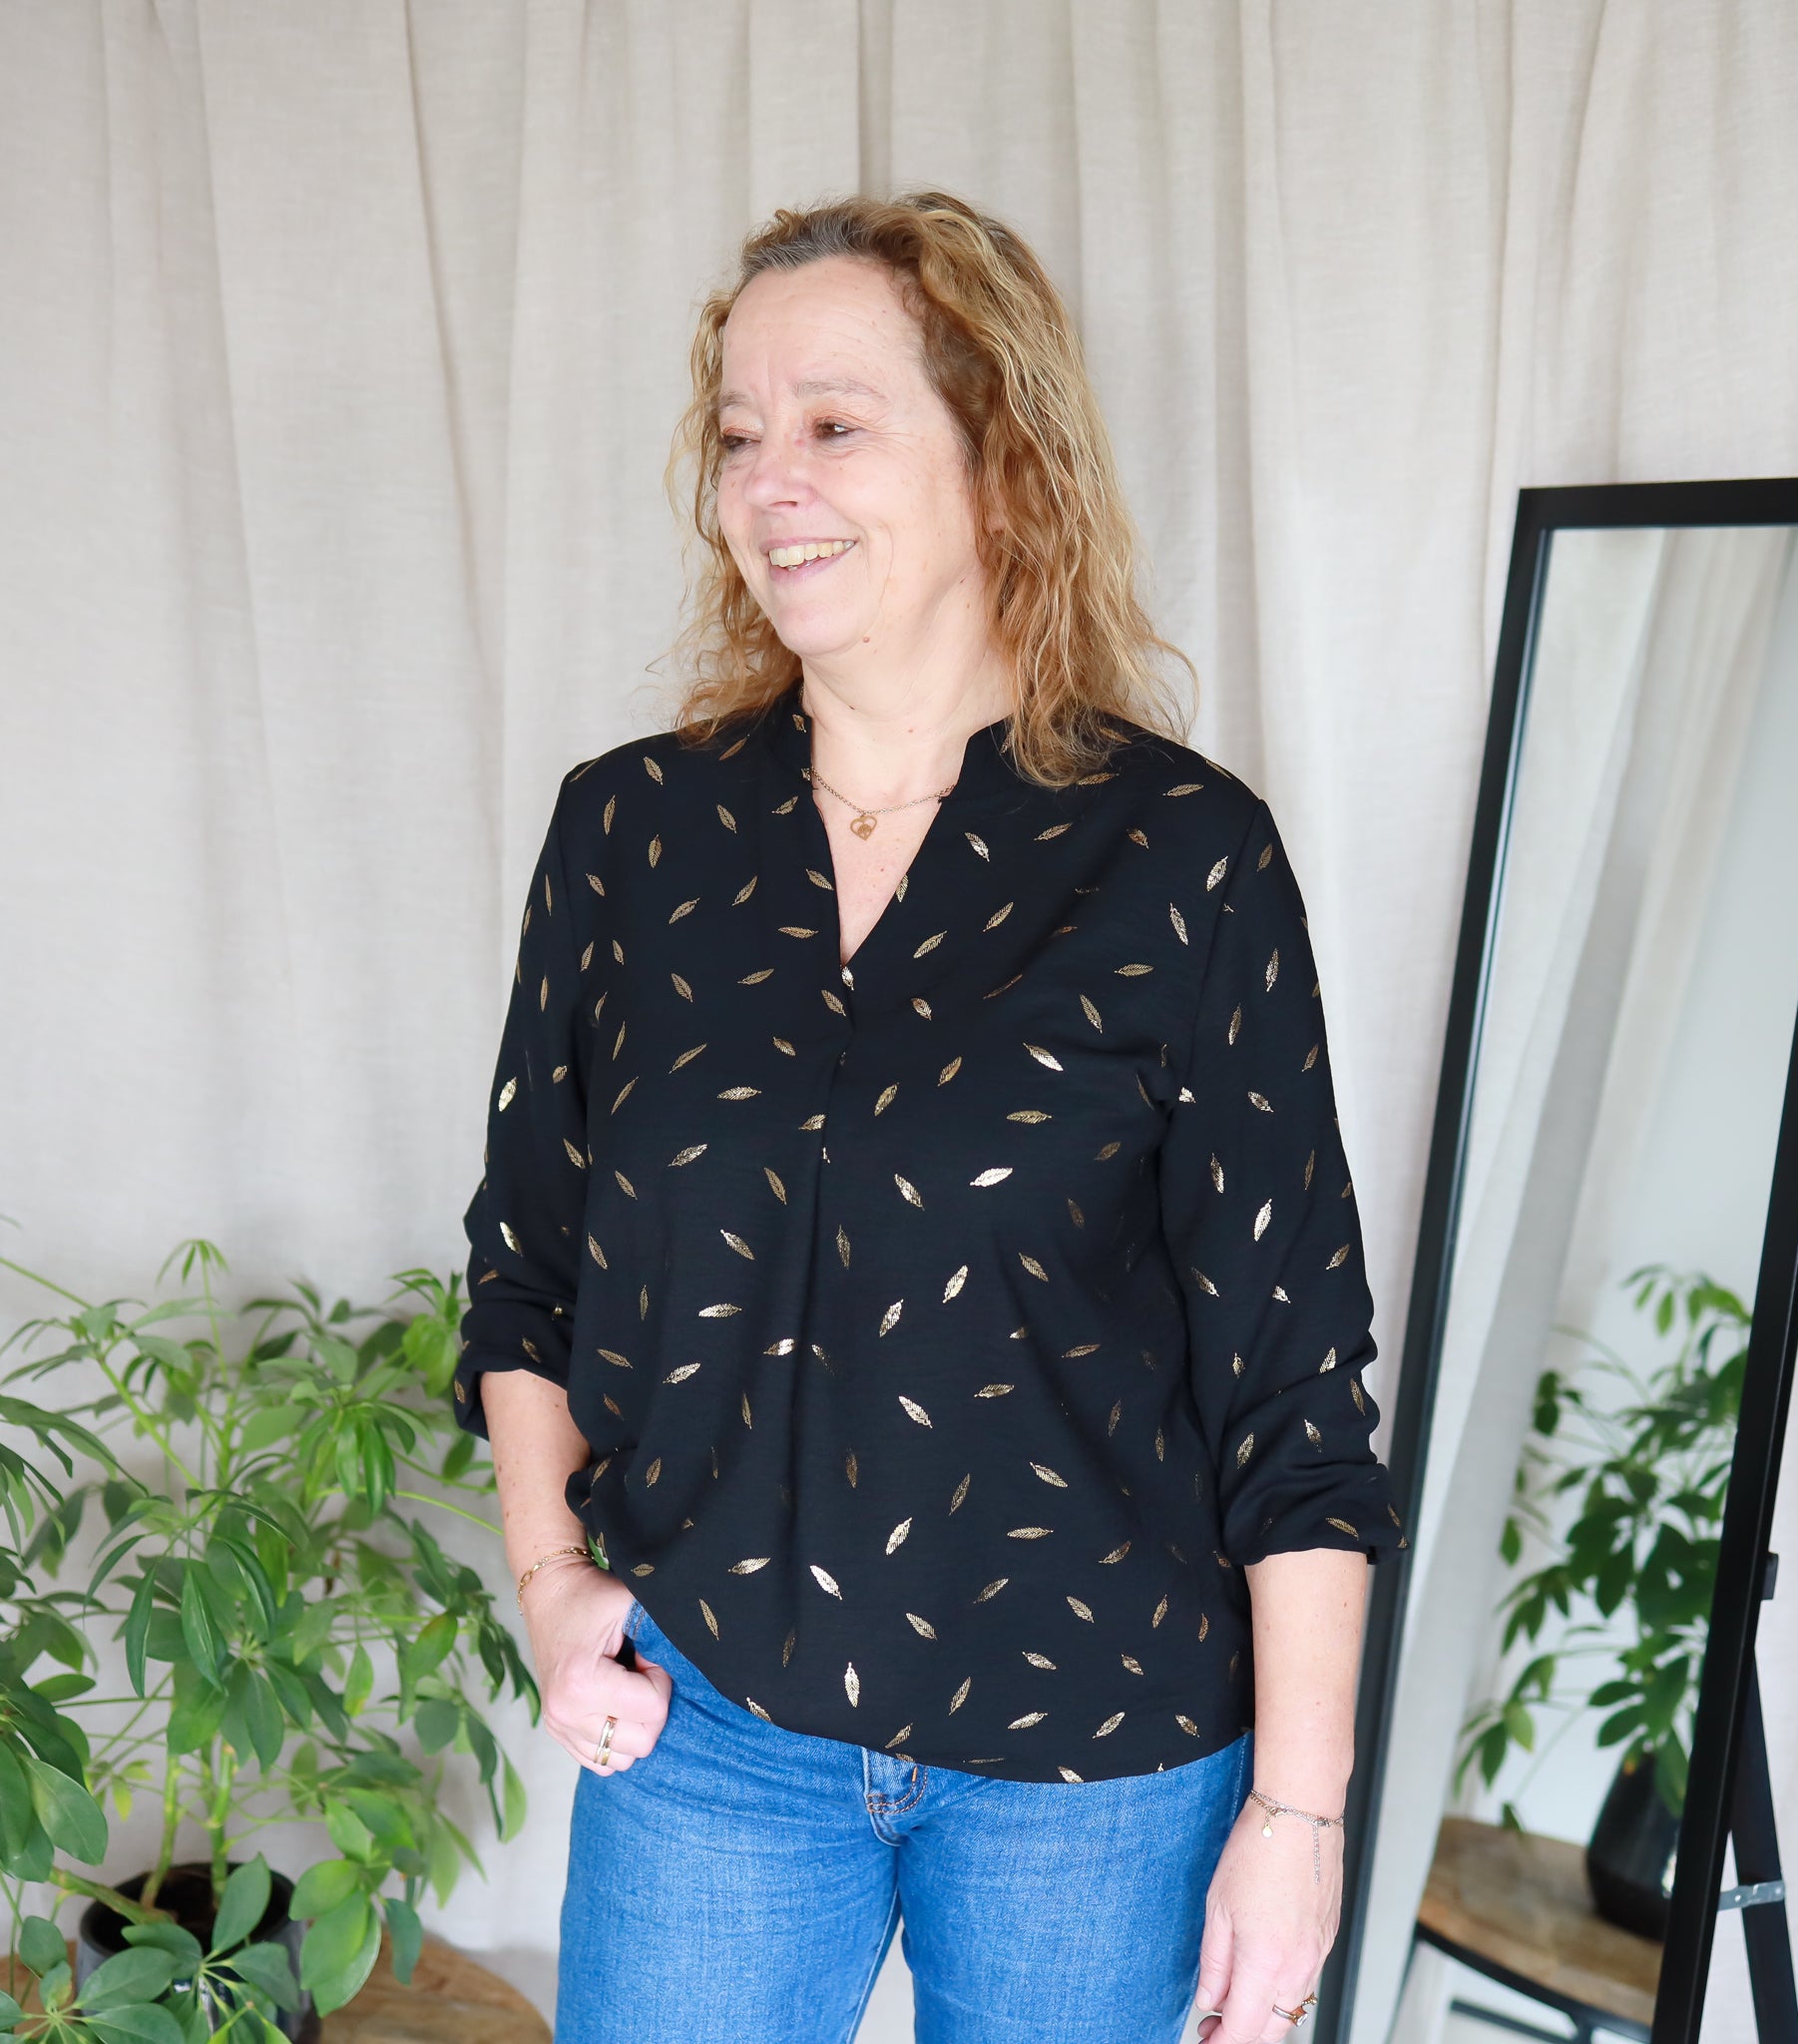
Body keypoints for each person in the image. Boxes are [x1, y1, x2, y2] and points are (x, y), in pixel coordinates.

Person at [451, 191, 1404, 2044]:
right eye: (739, 434)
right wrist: (555, 1580)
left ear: (1002, 461)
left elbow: (1293, 1383)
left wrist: (1298, 1821)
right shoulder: (633, 834)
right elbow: (526, 1263)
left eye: (834, 424)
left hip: (1100, 1771)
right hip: (715, 1727)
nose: (769, 483)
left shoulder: (1184, 859)